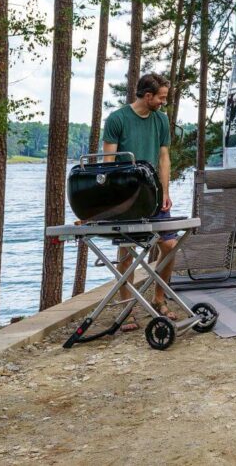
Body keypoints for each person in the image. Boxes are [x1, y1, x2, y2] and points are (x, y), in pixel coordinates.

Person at [102, 73, 176, 331]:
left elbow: (164, 157)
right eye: (162, 98)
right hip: (126, 197)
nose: (164, 102)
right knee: (127, 249)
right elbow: (108, 162)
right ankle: (127, 309)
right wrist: (116, 200)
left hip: (154, 194)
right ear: (148, 96)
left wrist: (165, 192)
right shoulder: (117, 119)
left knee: (169, 244)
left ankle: (159, 298)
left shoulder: (161, 120)